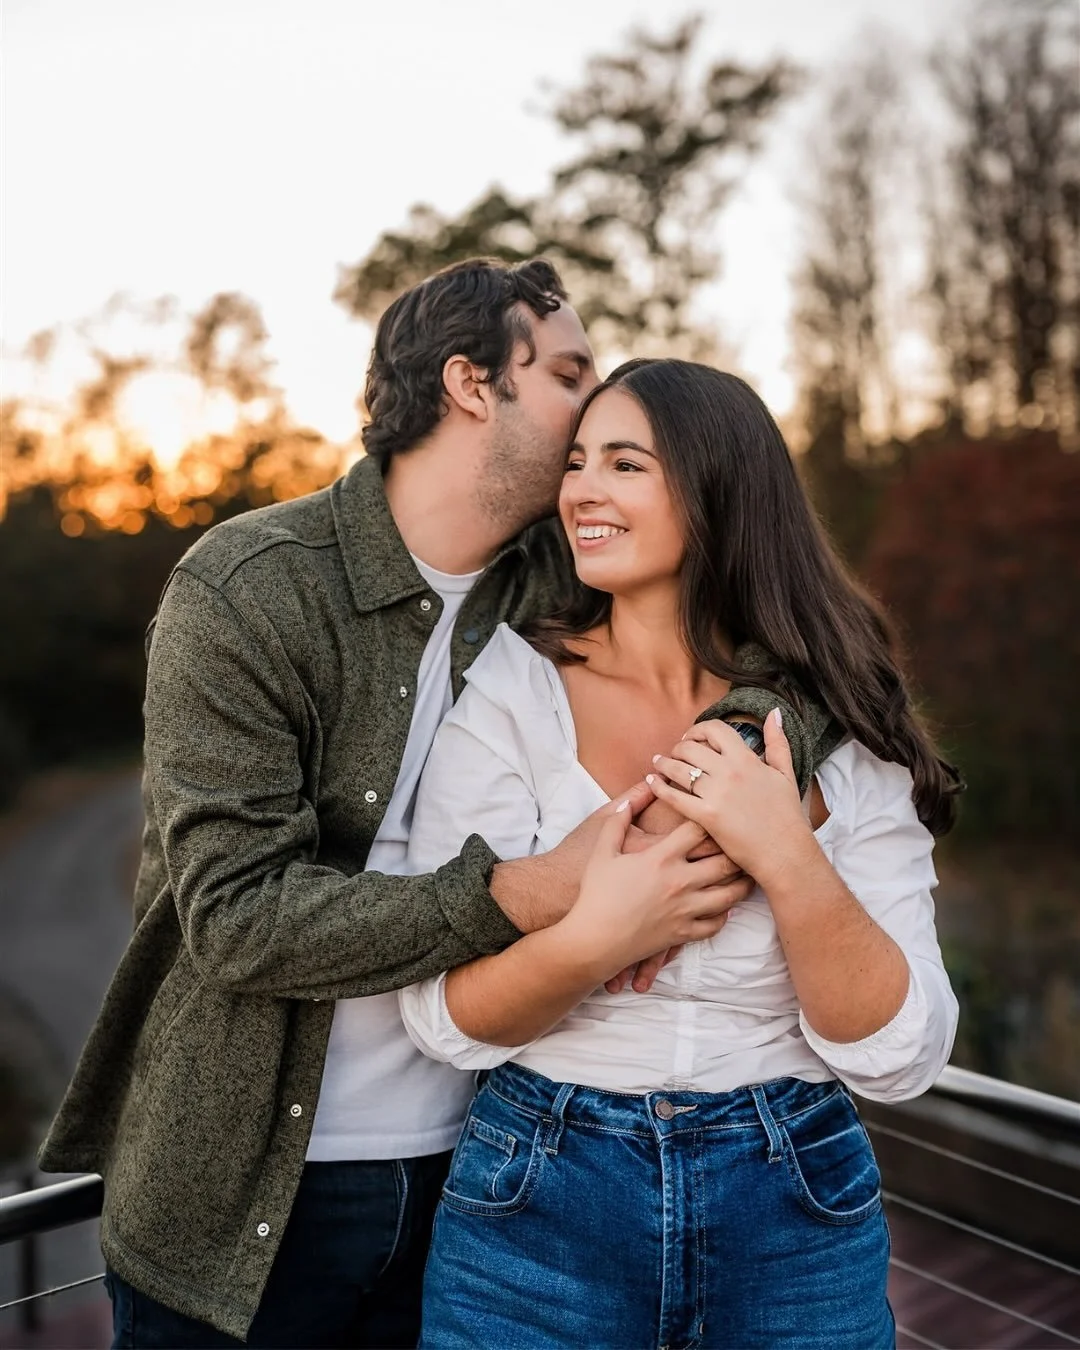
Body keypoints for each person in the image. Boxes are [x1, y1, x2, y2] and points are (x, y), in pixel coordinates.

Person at [38, 264, 834, 1348]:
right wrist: (543, 893)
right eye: (568, 374)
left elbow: (792, 641)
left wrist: (722, 781)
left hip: (488, 1178)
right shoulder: (249, 588)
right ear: (471, 384)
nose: (593, 408)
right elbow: (237, 918)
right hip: (242, 1203)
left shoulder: (567, 577)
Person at [398, 358, 962, 1350]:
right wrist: (602, 937)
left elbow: (897, 1054)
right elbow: (443, 1018)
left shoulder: (837, 716)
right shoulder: (511, 693)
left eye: (626, 464)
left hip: (795, 1208)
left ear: (718, 493)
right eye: (578, 463)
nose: (583, 490)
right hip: (538, 1199)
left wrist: (786, 855)